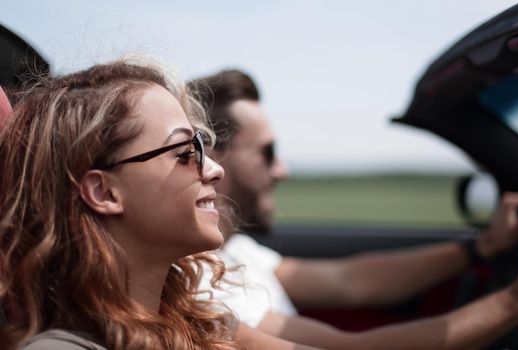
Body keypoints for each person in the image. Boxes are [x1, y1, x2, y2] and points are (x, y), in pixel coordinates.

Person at [190, 69, 518, 349]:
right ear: (214, 157)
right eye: (267, 153)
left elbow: (350, 280)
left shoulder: (236, 252)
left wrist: (481, 248)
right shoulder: (203, 284)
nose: (283, 170)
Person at [0, 60, 319, 350]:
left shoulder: (200, 324)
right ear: (105, 193)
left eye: (202, 147)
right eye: (184, 152)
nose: (215, 170)